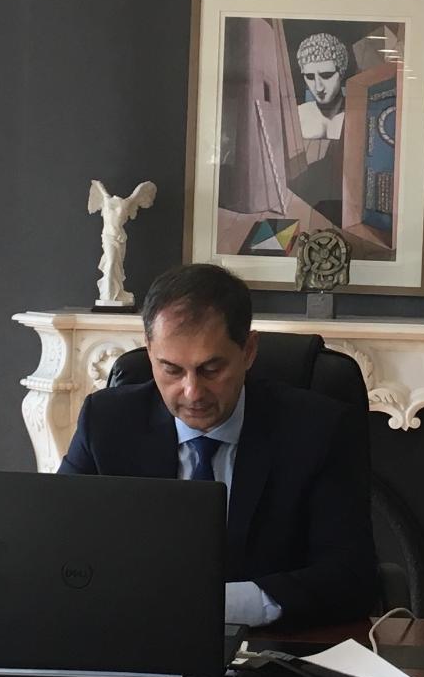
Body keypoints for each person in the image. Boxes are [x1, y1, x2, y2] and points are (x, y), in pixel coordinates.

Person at [59, 263, 378, 627]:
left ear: (249, 351)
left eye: (211, 370)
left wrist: (214, 605)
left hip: (273, 648)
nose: (192, 392)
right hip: (133, 635)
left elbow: (351, 578)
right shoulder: (106, 422)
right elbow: (57, 544)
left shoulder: (318, 430)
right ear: (149, 353)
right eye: (171, 370)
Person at [295, 32, 349, 141]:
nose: (319, 87)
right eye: (310, 77)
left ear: (342, 73)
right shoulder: (297, 116)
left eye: (326, 76)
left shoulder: (358, 113)